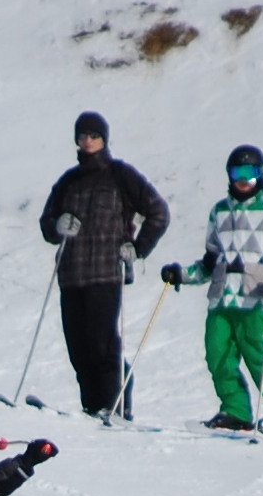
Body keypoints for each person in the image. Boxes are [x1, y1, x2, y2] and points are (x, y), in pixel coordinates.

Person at [161, 143, 263, 430]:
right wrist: (181, 274)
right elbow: (210, 261)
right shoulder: (220, 212)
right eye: (237, 172)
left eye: (250, 173)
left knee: (260, 357)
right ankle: (236, 410)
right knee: (218, 354)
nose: (243, 179)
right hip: (223, 299)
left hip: (257, 297)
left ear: (261, 174)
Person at [38, 111, 169, 418]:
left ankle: (114, 403)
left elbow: (158, 212)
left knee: (102, 343)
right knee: (78, 346)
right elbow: (46, 225)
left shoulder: (120, 175)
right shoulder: (68, 181)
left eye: (94, 136)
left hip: (106, 272)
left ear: (104, 139)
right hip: (71, 275)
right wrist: (58, 224)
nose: (88, 141)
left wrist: (137, 249)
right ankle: (92, 406)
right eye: (82, 136)